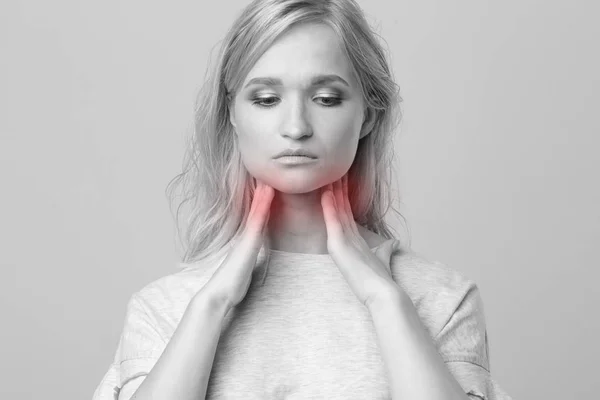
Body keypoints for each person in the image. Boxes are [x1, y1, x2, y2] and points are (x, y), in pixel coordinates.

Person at [92, 0, 513, 399]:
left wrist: (383, 299)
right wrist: (213, 304)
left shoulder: (443, 300)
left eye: (326, 99)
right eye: (266, 99)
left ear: (369, 113)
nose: (295, 127)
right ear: (232, 113)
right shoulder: (165, 307)